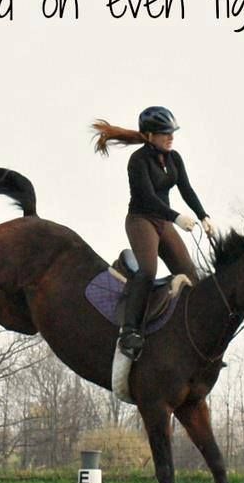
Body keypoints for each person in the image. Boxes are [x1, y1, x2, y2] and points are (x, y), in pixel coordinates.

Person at [92, 106, 216, 359]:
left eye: (171, 133)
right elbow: (148, 198)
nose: (170, 137)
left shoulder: (174, 158)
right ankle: (129, 331)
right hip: (141, 220)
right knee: (148, 271)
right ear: (149, 136)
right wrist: (176, 217)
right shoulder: (138, 161)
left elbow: (186, 189)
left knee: (190, 274)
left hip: (164, 222)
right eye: (164, 133)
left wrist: (204, 215)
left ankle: (185, 333)